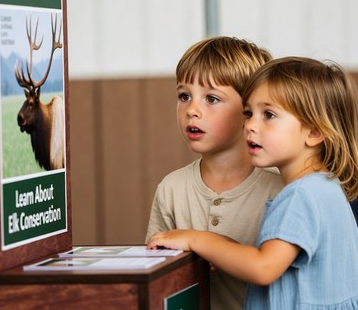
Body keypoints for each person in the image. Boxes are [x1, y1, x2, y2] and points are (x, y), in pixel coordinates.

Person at [148, 56, 358, 309]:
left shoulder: (299, 195)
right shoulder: (326, 186)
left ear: (313, 132)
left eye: (268, 115)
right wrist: (223, 247)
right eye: (249, 113)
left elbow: (264, 267)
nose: (250, 125)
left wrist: (198, 239)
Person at [145, 37, 284, 310]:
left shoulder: (280, 189)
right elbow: (158, 274)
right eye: (184, 96)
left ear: (249, 110)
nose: (192, 110)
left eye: (211, 98)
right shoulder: (171, 188)